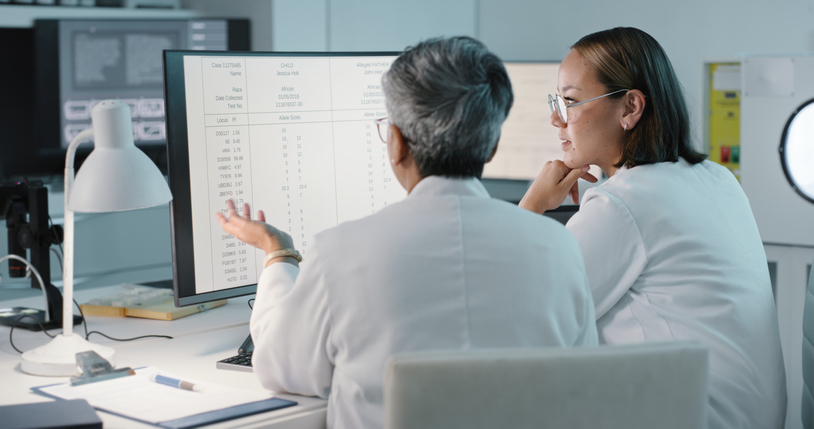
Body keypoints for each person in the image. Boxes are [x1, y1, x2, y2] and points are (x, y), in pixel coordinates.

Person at [216, 36, 598, 429]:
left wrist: (278, 254)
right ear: (492, 146)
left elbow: (281, 367)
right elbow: (580, 379)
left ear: (396, 143)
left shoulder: (341, 253)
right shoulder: (558, 247)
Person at [519, 27, 787, 429]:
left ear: (630, 108)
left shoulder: (623, 203)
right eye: (556, 100)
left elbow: (521, 315)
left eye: (570, 101)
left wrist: (532, 205)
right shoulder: (716, 177)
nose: (556, 118)